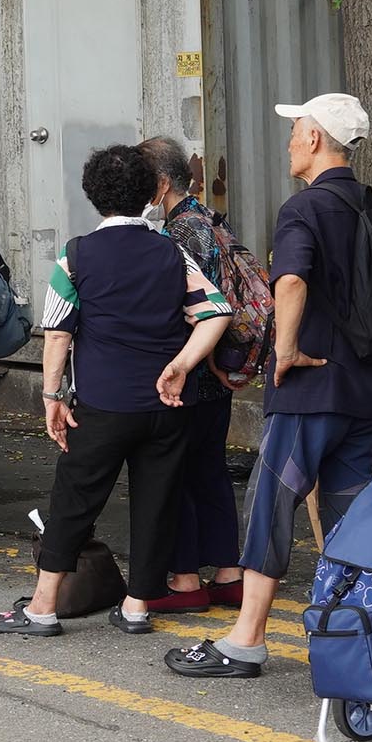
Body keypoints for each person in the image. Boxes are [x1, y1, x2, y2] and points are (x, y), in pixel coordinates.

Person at [169, 94, 372, 680]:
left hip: (310, 386)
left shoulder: (304, 209)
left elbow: (289, 280)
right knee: (351, 513)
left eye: (295, 130)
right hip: (370, 388)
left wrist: (284, 349)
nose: (290, 140)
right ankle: (350, 635)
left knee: (271, 500)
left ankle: (247, 638)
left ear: (316, 139)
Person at [0, 144, 233, 636]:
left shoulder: (77, 255)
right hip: (167, 406)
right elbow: (216, 313)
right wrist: (182, 366)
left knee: (74, 501)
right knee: (157, 503)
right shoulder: (172, 251)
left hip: (103, 406)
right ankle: (137, 607)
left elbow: (59, 333)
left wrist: (51, 397)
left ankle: (42, 607)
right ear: (151, 193)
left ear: (93, 195)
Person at [140, 136, 242, 613]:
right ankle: (228, 572)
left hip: (189, 369)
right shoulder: (212, 220)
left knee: (175, 474)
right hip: (215, 368)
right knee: (211, 472)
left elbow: (188, 307)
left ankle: (184, 580)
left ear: (161, 185)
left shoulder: (179, 234)